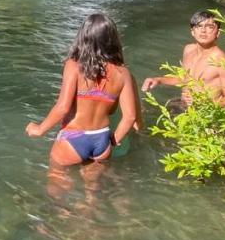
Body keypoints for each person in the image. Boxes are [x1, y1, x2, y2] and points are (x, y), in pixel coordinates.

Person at [25, 13, 140, 166]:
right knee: (93, 188)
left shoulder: (73, 65)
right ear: (113, 39)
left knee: (56, 185)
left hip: (74, 138)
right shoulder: (123, 73)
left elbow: (63, 107)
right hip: (102, 140)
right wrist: (113, 140)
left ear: (83, 37)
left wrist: (40, 129)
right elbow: (130, 117)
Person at [142, 11, 225, 106]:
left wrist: (205, 104)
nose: (203, 30)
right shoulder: (189, 49)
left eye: (209, 27)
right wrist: (158, 80)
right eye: (199, 26)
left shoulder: (221, 60)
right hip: (185, 107)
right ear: (192, 32)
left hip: (207, 113)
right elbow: (185, 79)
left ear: (218, 33)